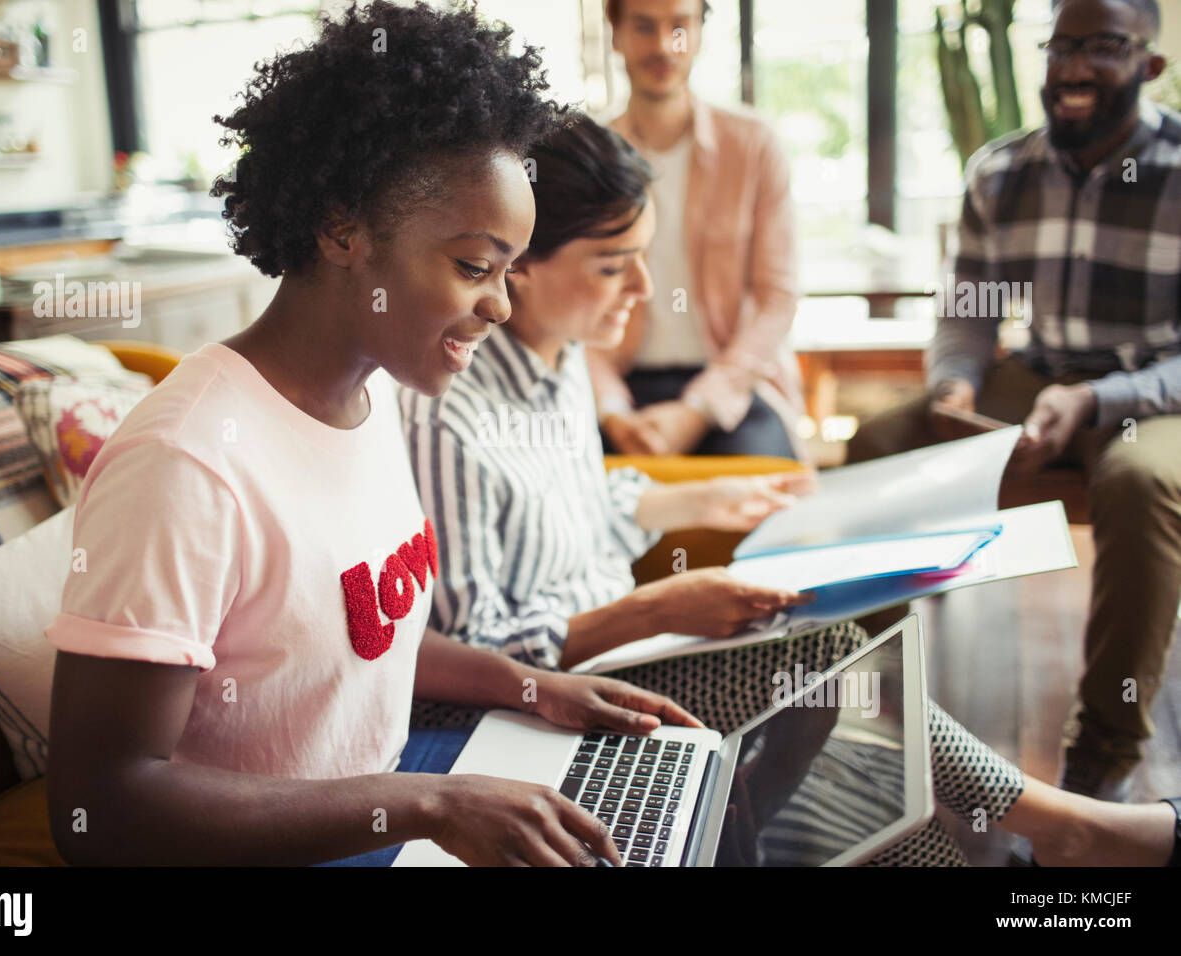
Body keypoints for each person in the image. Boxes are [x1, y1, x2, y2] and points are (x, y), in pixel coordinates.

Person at [401, 112, 1181, 866]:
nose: (641, 286)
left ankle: (1053, 840)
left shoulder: (559, 358)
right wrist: (661, 608)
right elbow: (473, 655)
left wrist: (705, 503)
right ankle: (1071, 830)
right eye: (613, 266)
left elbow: (578, 506)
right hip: (550, 694)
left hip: (620, 654)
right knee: (827, 670)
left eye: (643, 256)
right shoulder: (453, 417)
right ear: (524, 264)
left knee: (868, 770)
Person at [41, 1, 707, 869]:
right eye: (475, 267)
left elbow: (364, 639)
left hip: (383, 805)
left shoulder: (374, 396)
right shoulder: (186, 464)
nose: (502, 306)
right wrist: (427, 804)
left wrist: (534, 689)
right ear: (341, 228)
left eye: (509, 270)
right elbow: (103, 808)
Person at [846, 0, 1180, 802]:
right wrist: (955, 384)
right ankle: (862, 720)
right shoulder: (1000, 172)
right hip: (1032, 375)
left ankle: (1100, 761)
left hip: (1153, 391)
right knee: (871, 448)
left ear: (1150, 65)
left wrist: (1097, 399)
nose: (1071, 67)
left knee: (1141, 481)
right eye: (1060, 45)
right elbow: (967, 316)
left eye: (1101, 47)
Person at [587, 0, 806, 459]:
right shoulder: (587, 155)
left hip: (731, 381)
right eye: (644, 27)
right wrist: (611, 410)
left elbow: (777, 299)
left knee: (764, 494)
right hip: (613, 384)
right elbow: (563, 301)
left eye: (680, 27)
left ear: (701, 31)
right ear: (617, 32)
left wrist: (698, 409)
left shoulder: (753, 145)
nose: (664, 46)